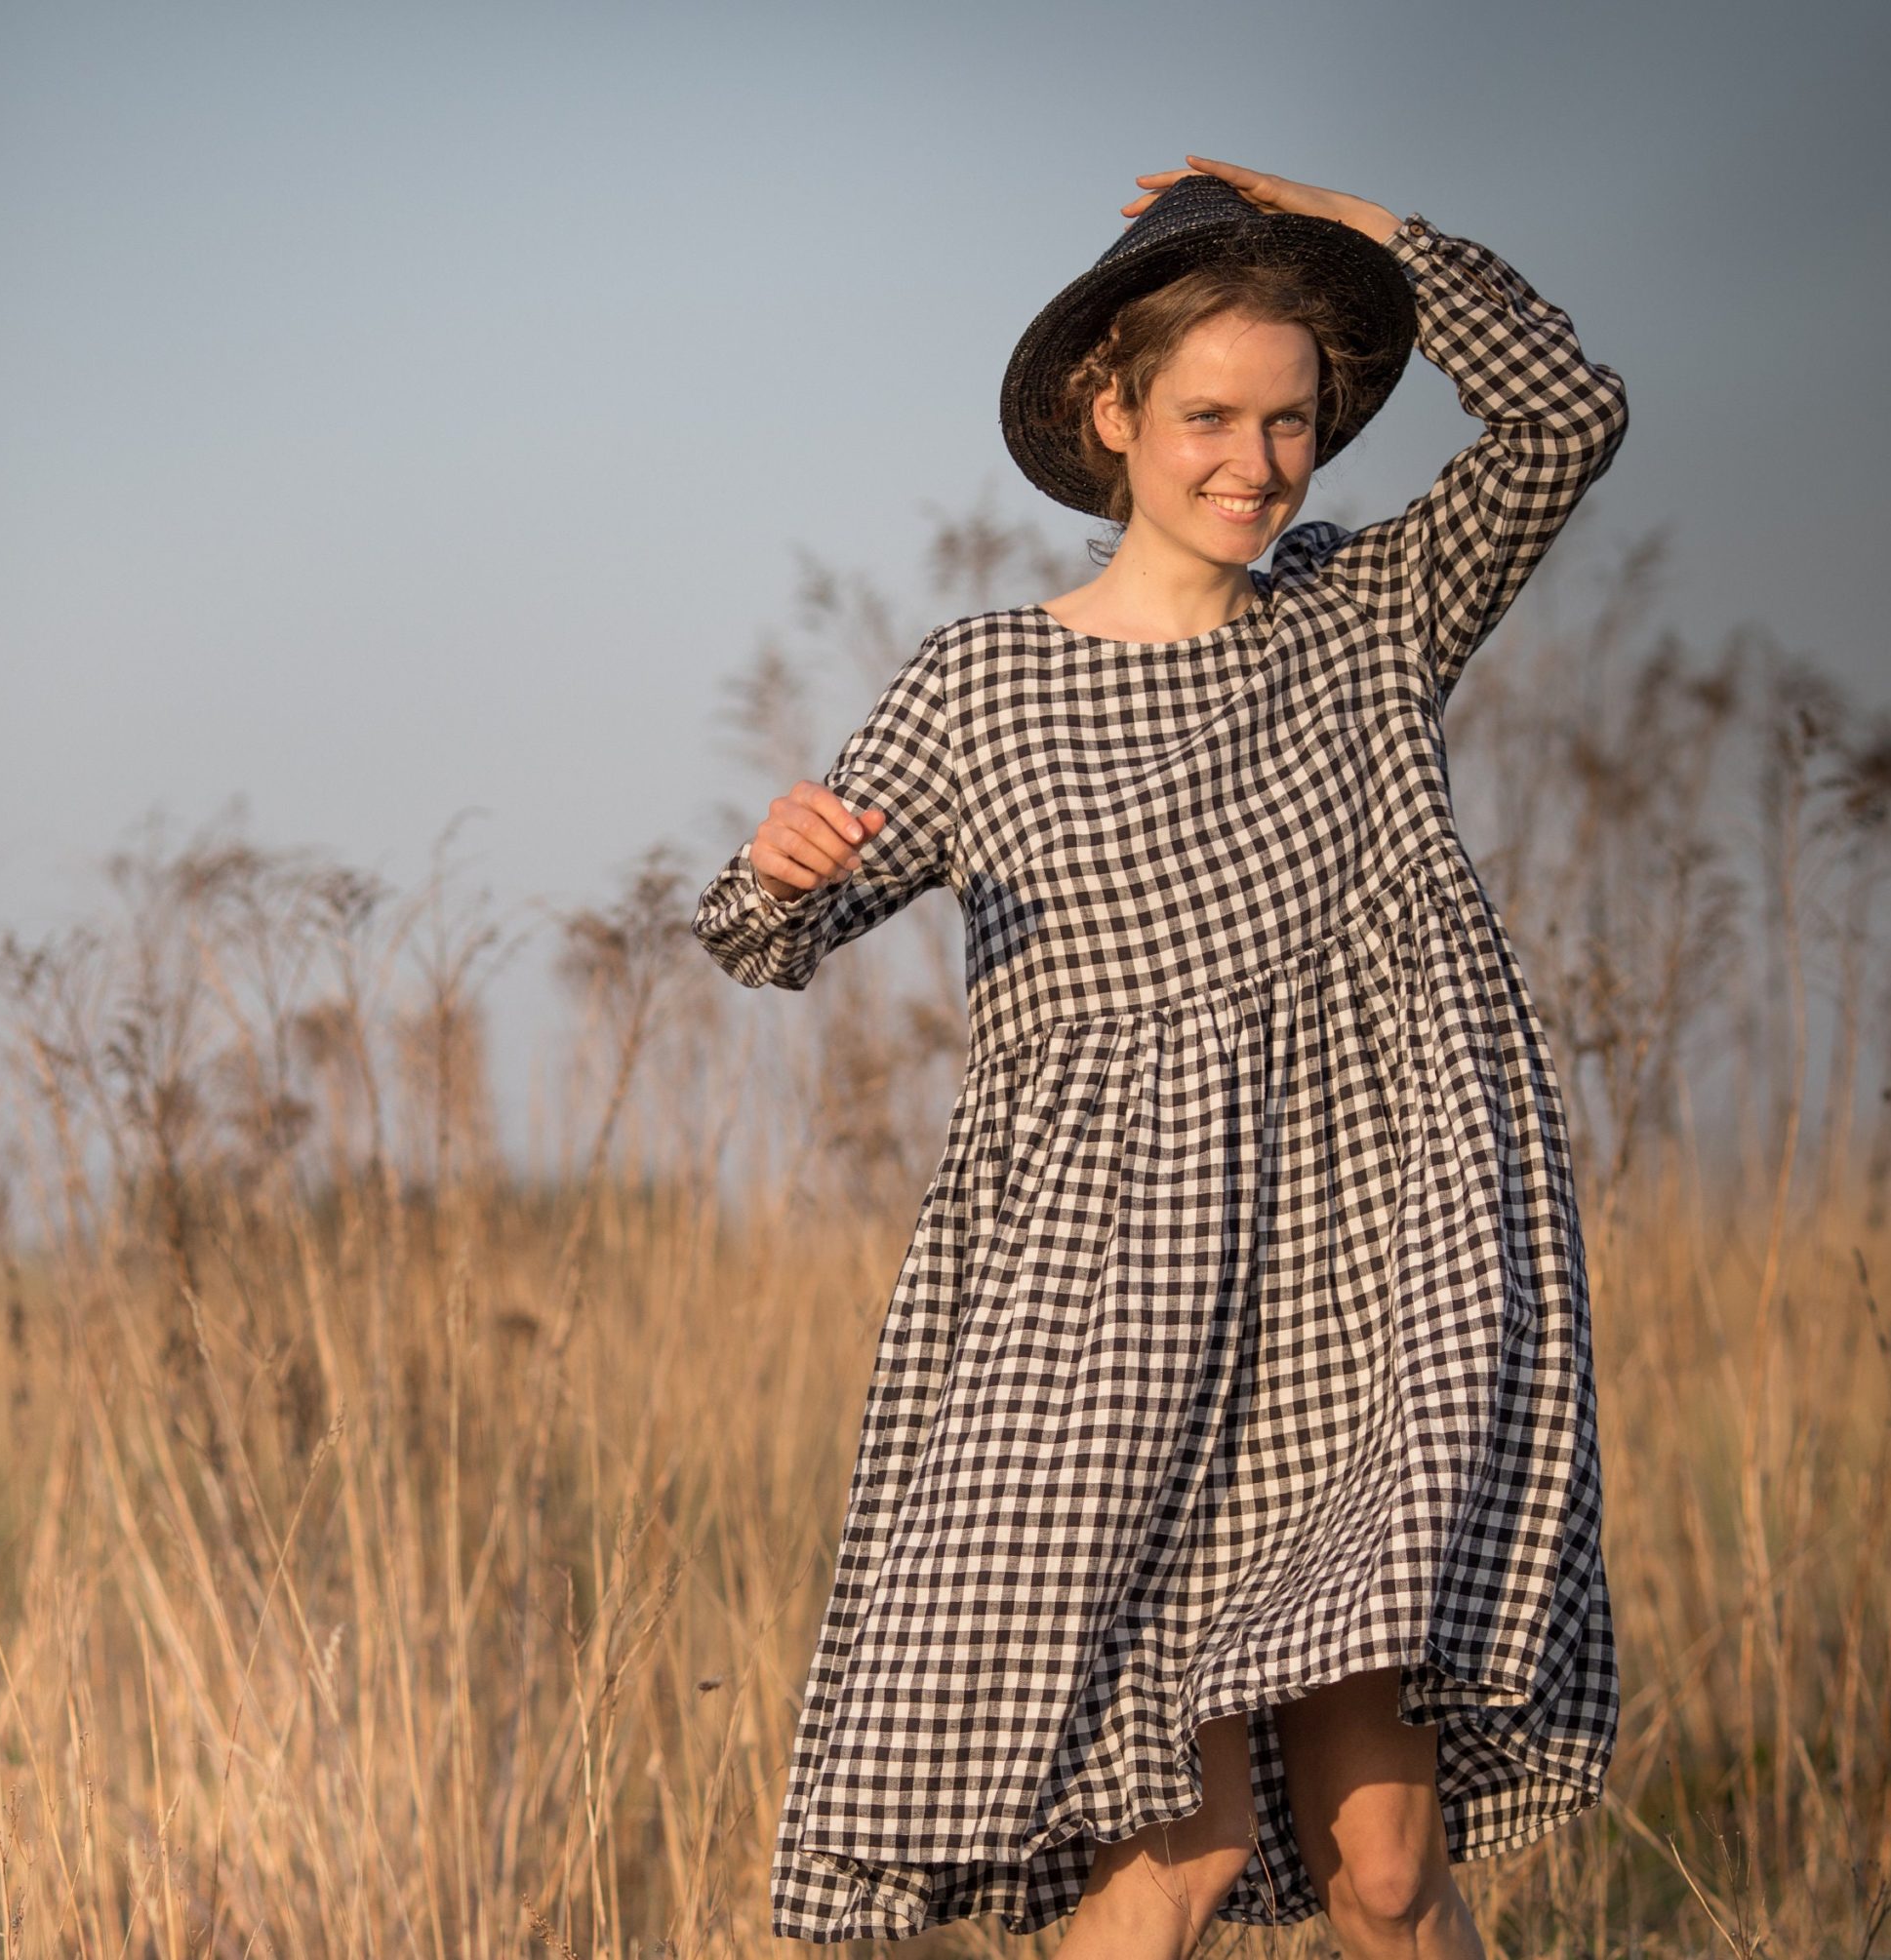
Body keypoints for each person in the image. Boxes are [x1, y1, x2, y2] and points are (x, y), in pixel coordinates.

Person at [692, 155, 1628, 1960]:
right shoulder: (983, 688)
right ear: (1108, 413)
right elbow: (764, 934)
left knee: (1383, 1865)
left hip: (1377, 1285)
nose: (1254, 463)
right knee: (1172, 1869)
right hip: (1119, 1320)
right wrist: (778, 865)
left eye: (1294, 419)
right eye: (1208, 414)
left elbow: (1568, 413)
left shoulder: (1370, 619)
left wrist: (1352, 230)